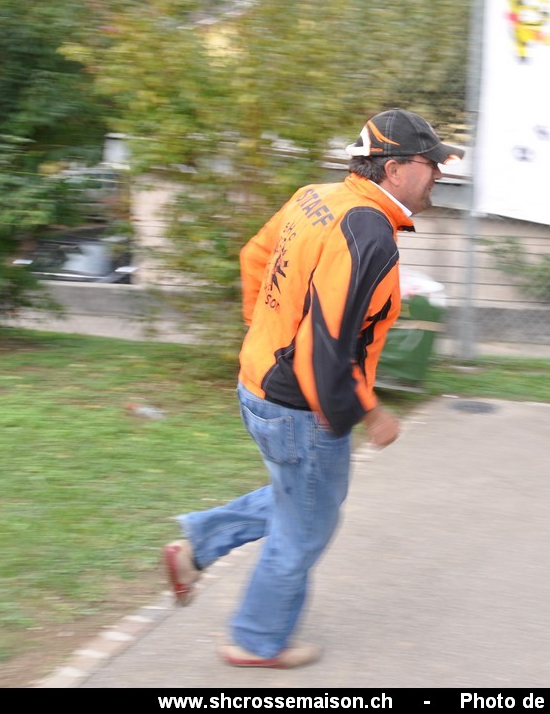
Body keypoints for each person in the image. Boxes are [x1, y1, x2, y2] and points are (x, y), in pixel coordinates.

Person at [161, 109, 463, 669]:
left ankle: (198, 546)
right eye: (432, 164)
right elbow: (328, 344)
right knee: (308, 525)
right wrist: (369, 412)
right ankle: (256, 640)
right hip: (301, 406)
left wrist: (264, 334)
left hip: (260, 384)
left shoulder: (316, 198)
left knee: (301, 497)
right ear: (395, 169)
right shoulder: (368, 233)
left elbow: (254, 257)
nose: (439, 175)